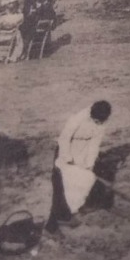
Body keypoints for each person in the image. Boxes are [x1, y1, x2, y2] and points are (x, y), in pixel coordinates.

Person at [45, 100, 112, 233]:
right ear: (91, 115)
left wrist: (89, 164)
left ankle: (77, 207)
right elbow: (64, 138)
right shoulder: (77, 119)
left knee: (83, 180)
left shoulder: (102, 122)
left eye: (100, 122)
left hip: (83, 152)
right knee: (60, 186)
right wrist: (68, 158)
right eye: (96, 121)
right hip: (66, 150)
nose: (98, 124)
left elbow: (94, 144)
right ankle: (57, 220)